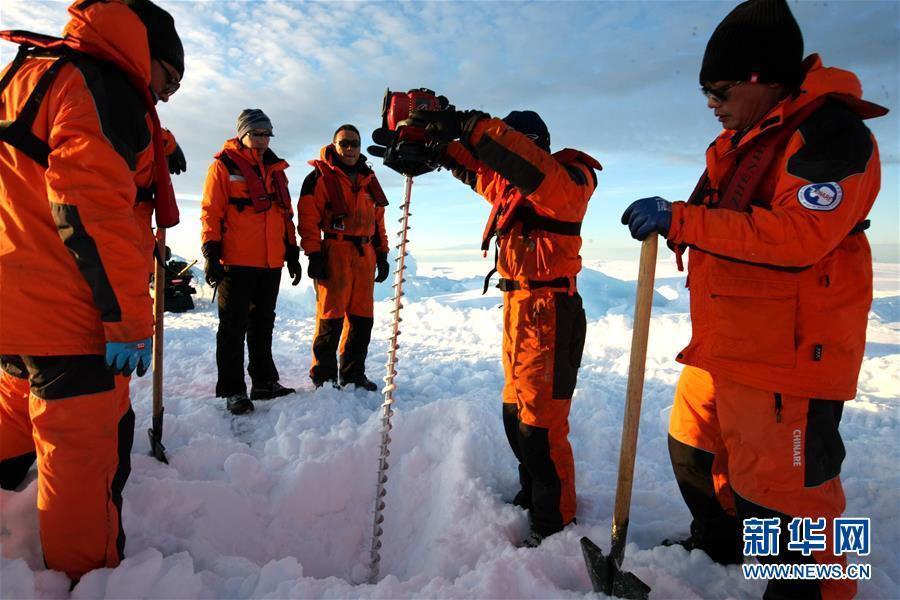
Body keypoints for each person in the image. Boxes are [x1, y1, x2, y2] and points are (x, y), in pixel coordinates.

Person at [620, 0, 886, 597]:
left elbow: (801, 235)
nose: (710, 103)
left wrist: (683, 220)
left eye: (719, 90)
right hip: (728, 344)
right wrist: (682, 222)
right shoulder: (745, 141)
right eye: (705, 93)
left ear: (762, 78)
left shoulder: (831, 133)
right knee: (693, 448)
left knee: (790, 506)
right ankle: (724, 542)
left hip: (788, 358)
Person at [0, 0, 184, 583]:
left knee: (12, 414)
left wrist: (157, 142)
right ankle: (83, 579)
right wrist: (129, 322)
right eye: (168, 81)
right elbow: (92, 212)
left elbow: (54, 155)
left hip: (14, 305)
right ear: (146, 54)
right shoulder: (104, 89)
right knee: (82, 457)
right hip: (70, 319)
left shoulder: (33, 71)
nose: (164, 96)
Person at [402, 106, 601, 547]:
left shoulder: (568, 182)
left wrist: (468, 125)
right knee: (515, 415)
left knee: (541, 426)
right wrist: (439, 146)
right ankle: (534, 491)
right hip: (519, 310)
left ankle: (554, 520)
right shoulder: (513, 189)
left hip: (551, 312)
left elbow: (520, 163)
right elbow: (477, 170)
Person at [200, 109, 301, 415]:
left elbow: (285, 214)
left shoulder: (277, 171)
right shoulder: (223, 166)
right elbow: (211, 211)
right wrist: (210, 251)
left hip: (271, 263)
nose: (261, 140)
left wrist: (292, 251)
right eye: (256, 134)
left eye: (266, 134)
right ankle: (232, 390)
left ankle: (264, 382)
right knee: (233, 327)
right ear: (242, 134)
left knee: (262, 324)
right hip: (236, 261)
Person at [298, 124, 391, 391]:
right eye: (344, 143)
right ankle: (323, 375)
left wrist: (382, 254)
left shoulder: (369, 179)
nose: (350, 148)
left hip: (365, 254)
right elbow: (308, 219)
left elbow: (378, 221)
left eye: (354, 143)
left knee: (362, 319)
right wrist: (314, 254)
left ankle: (353, 373)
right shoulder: (318, 178)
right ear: (334, 145)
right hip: (335, 252)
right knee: (331, 317)